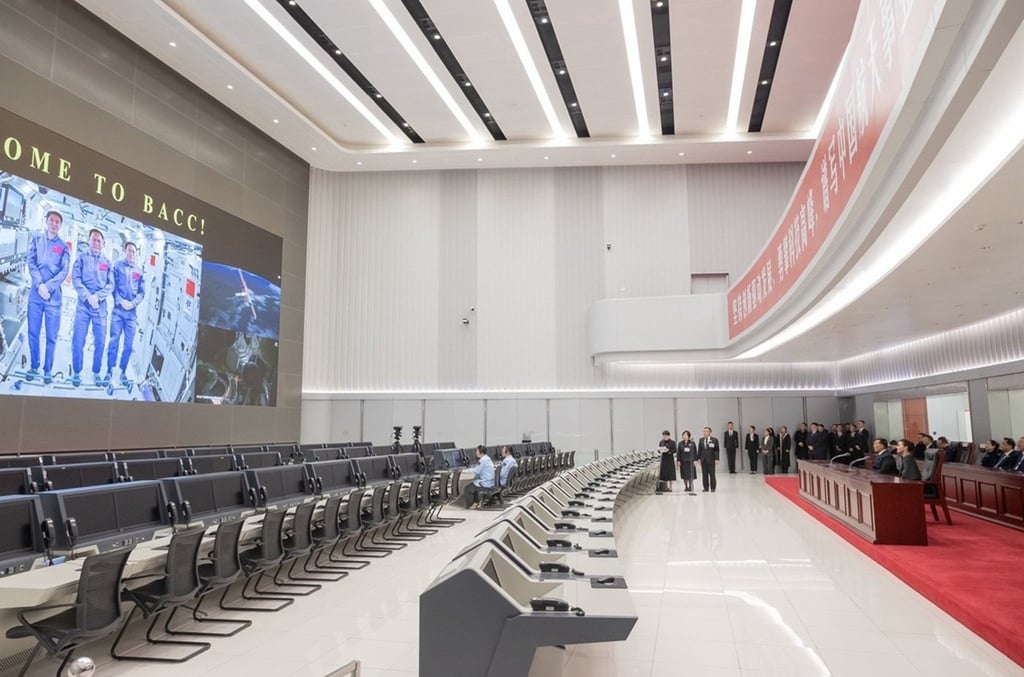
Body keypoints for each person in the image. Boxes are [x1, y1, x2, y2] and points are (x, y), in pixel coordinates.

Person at [25, 210, 71, 385]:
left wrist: (48, 287)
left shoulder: (63, 246)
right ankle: (34, 366)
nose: (54, 223)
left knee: (51, 336)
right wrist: (39, 285)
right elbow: (31, 262)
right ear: (46, 221)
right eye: (52, 220)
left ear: (60, 225)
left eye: (57, 221)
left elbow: (64, 271)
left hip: (53, 299)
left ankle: (47, 370)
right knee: (33, 333)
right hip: (36, 296)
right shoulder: (36, 239)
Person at [70, 228, 114, 387]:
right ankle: (76, 371)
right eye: (94, 240)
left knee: (101, 342)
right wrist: (88, 296)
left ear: (103, 244)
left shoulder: (107, 263)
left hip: (100, 308)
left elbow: (111, 285)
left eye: (99, 241)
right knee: (78, 340)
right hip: (83, 306)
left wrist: (98, 297)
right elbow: (76, 279)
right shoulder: (81, 259)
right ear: (89, 241)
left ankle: (96, 372)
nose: (96, 243)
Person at [105, 241, 145, 385]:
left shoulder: (139, 271)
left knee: (128, 345)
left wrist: (133, 303)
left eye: (133, 251)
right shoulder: (117, 266)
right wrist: (120, 301)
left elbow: (141, 293)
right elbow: (112, 287)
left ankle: (122, 371)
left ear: (136, 253)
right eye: (129, 251)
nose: (131, 253)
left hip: (131, 315)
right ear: (125, 251)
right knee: (114, 341)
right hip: (118, 311)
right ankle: (109, 369)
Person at [696, 427, 720, 492]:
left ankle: (713, 488)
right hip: (703, 460)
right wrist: (698, 458)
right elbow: (699, 450)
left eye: (706, 431)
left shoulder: (714, 440)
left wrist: (717, 459)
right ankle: (705, 488)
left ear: (710, 432)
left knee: (712, 474)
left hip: (711, 459)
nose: (705, 433)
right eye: (704, 431)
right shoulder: (701, 440)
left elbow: (716, 450)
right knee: (704, 474)